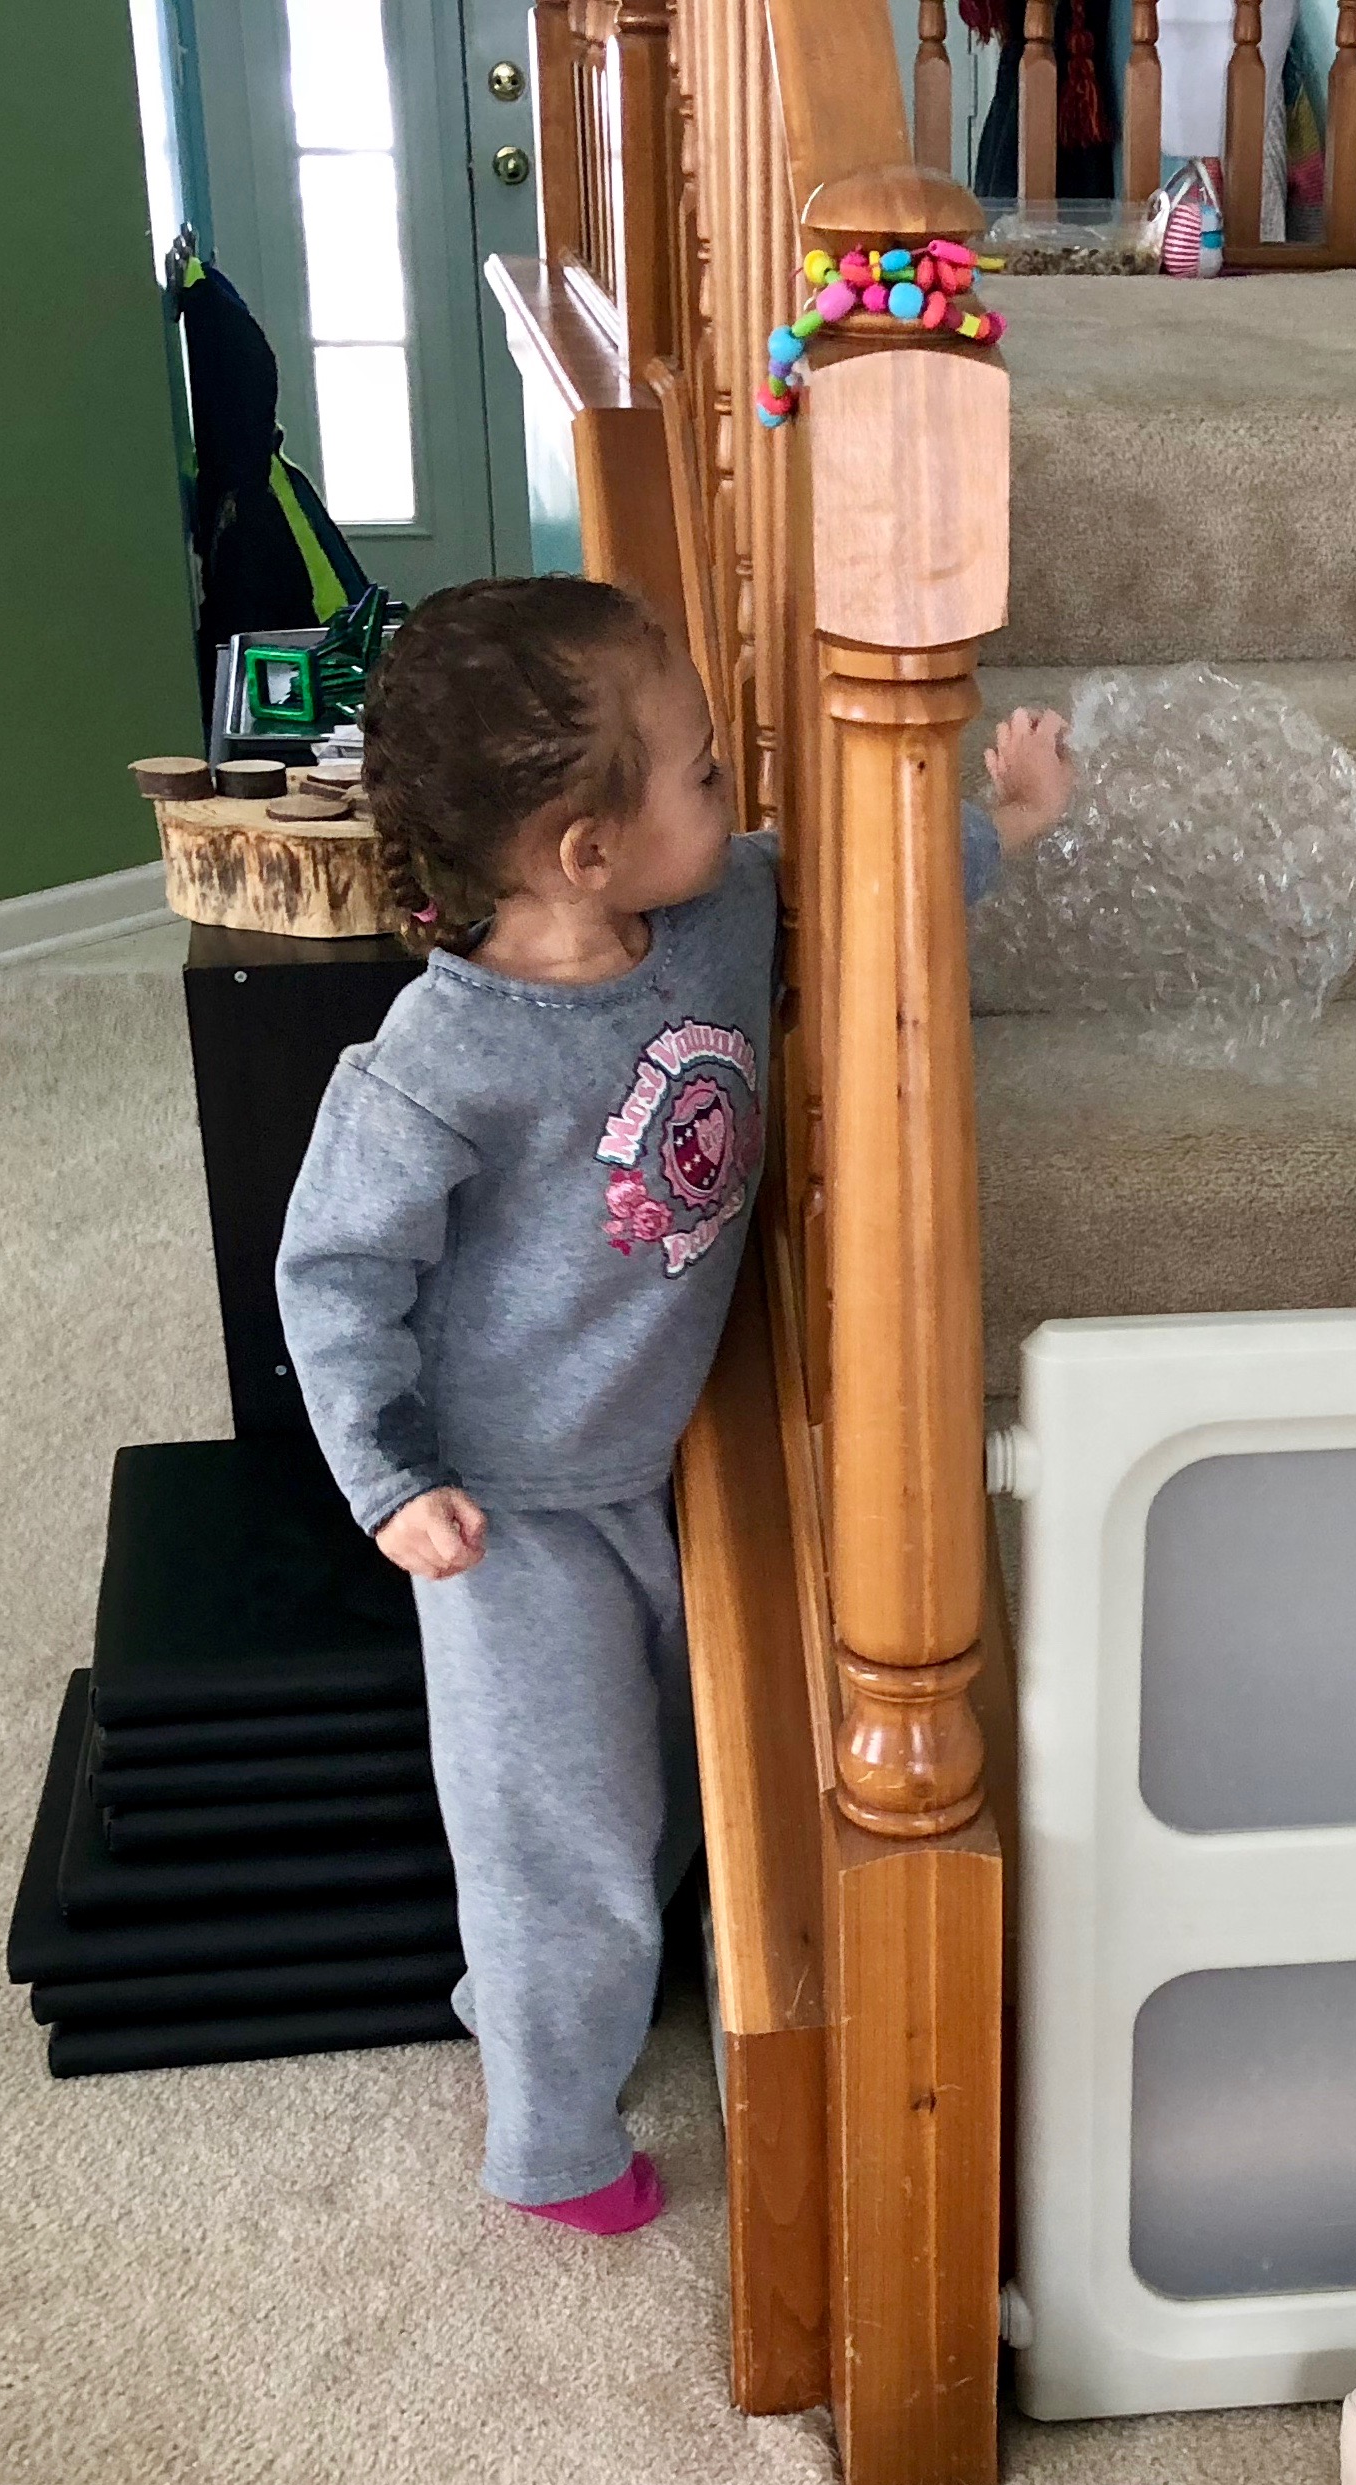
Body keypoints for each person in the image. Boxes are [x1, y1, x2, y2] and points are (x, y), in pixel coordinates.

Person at [277, 577, 1070, 2234]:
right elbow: (335, 1273)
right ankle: (550, 2138)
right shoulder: (443, 1063)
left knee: (657, 1804)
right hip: (504, 1512)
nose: (735, 791)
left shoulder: (711, 916)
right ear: (582, 849)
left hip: (650, 1460)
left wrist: (999, 824)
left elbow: (866, 902)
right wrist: (388, 1475)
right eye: (703, 771)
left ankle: (531, 2006)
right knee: (558, 1837)